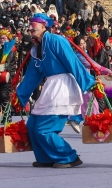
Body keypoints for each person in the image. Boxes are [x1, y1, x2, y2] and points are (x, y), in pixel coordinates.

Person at [17, 13, 95, 168]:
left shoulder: (56, 40)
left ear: (44, 25)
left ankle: (68, 156)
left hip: (62, 86)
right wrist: (20, 95)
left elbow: (72, 62)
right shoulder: (36, 49)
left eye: (35, 24)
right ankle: (46, 157)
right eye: (30, 24)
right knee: (32, 126)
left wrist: (88, 83)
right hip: (50, 87)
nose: (31, 27)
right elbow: (32, 75)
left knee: (44, 129)